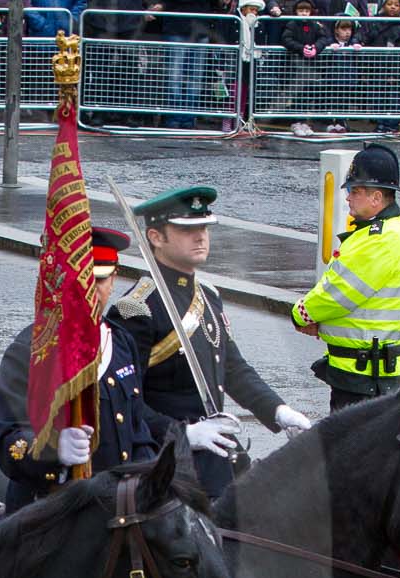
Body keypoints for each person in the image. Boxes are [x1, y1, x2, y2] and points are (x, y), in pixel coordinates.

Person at [131, 185, 309, 499]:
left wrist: (279, 412)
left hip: (217, 459)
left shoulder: (208, 296)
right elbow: (125, 403)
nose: (200, 236)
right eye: (186, 229)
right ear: (156, 238)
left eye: (203, 228)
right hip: (166, 468)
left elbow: (232, 367)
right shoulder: (138, 309)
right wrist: (183, 435)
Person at [0, 228, 166, 511]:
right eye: (78, 282)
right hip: (49, 509)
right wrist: (53, 450)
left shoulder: (121, 343)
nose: (89, 291)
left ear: (114, 279)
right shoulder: (31, 351)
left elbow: (136, 431)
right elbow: (8, 441)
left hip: (116, 509)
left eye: (98, 280)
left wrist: (151, 481)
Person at [288, 143, 400, 412]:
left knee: (352, 452)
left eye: (355, 191)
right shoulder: (379, 232)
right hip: (366, 370)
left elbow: (338, 294)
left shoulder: (379, 240)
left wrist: (301, 314)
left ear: (376, 198)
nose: (347, 198)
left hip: (367, 375)